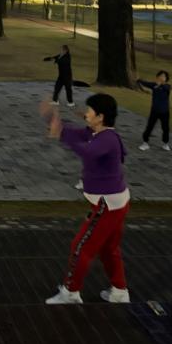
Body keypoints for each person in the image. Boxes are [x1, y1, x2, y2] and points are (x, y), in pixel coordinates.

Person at [44, 93, 131, 305]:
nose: (86, 113)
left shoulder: (107, 139)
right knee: (109, 248)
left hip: (107, 204)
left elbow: (88, 152)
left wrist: (61, 132)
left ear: (100, 116)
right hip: (115, 202)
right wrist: (57, 126)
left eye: (90, 110)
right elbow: (74, 135)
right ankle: (119, 292)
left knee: (80, 247)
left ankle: (71, 292)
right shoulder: (96, 133)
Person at [138, 70, 172, 151]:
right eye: (160, 76)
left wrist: (161, 84)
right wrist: (139, 80)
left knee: (165, 128)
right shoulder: (154, 85)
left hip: (165, 112)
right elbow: (145, 83)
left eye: (164, 76)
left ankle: (165, 144)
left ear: (166, 78)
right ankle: (145, 143)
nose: (162, 77)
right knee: (149, 127)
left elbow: (165, 88)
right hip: (154, 111)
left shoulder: (167, 86)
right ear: (157, 77)